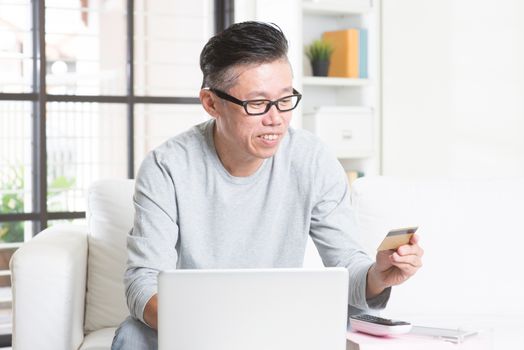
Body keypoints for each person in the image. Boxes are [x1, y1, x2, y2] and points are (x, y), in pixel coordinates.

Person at [111, 21, 424, 350]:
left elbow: (347, 266)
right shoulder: (167, 167)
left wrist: (377, 275)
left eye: (285, 99)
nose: (276, 119)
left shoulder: (311, 159)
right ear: (211, 103)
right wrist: (220, 334)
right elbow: (142, 282)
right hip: (196, 326)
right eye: (257, 104)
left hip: (280, 325)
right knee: (132, 336)